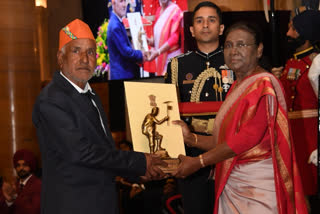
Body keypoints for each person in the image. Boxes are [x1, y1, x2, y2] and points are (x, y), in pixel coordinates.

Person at [32, 19, 167, 214]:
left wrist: (137, 173)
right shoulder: (51, 100)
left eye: (90, 52)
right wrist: (138, 162)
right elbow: (81, 153)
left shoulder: (91, 95)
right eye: (76, 51)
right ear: (60, 58)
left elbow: (103, 152)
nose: (85, 59)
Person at [172, 22, 308, 214]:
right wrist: (190, 138)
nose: (234, 50)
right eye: (228, 45)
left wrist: (198, 162)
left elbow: (245, 139)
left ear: (259, 50)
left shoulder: (264, 85)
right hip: (233, 183)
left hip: (257, 189)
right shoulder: (237, 87)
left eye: (241, 45)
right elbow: (224, 141)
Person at [165, 2, 233, 213]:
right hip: (191, 152)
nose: (205, 25)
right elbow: (168, 109)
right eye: (199, 20)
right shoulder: (177, 65)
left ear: (221, 28)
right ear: (192, 30)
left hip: (229, 148)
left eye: (212, 20)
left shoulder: (235, 60)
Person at [272, 9, 320, 201]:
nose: (288, 34)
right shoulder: (292, 62)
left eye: (294, 29)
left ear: (306, 35)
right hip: (292, 134)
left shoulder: (315, 62)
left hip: (311, 137)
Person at [107, 0, 149, 80]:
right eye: (121, 1)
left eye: (125, 1)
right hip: (122, 74)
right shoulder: (115, 25)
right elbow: (126, 52)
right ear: (113, 3)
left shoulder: (117, 21)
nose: (124, 5)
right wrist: (141, 54)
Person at [147, 0, 183, 76]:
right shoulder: (158, 11)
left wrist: (158, 52)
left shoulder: (175, 10)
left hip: (172, 59)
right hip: (160, 59)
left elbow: (175, 38)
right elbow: (157, 39)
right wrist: (147, 41)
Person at [0, 149, 41, 214]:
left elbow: (34, 211)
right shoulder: (14, 185)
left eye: (24, 165)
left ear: (30, 166)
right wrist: (9, 201)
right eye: (18, 165)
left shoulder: (39, 185)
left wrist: (15, 196)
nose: (21, 168)